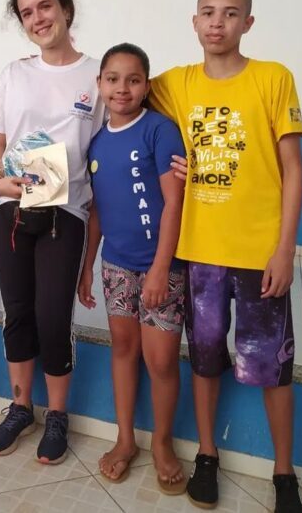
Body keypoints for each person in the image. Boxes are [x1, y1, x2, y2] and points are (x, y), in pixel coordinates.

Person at [148, 0, 302, 513]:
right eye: (208, 12)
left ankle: (284, 473)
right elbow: (120, 88)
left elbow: (293, 168)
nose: (218, 22)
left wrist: (284, 249)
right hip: (201, 253)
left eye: (231, 13)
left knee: (272, 366)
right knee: (206, 360)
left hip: (260, 255)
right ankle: (207, 455)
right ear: (194, 22)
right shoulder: (175, 83)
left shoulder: (273, 78)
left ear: (248, 23)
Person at [0, 0, 105, 464]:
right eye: (26, 12)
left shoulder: (98, 76)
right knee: (18, 312)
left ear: (65, 9)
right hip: (11, 208)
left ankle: (57, 414)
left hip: (65, 212)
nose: (37, 18)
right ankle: (20, 408)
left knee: (53, 316)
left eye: (45, 6)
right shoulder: (15, 73)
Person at [78, 43, 187, 490]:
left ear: (146, 85)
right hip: (116, 266)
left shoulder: (160, 130)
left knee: (160, 360)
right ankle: (125, 439)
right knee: (123, 349)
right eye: (113, 79)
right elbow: (97, 211)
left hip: (162, 268)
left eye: (133, 79)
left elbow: (174, 203)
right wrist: (88, 266)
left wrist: (161, 268)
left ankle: (162, 441)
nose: (122, 88)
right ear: (100, 84)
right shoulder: (97, 141)